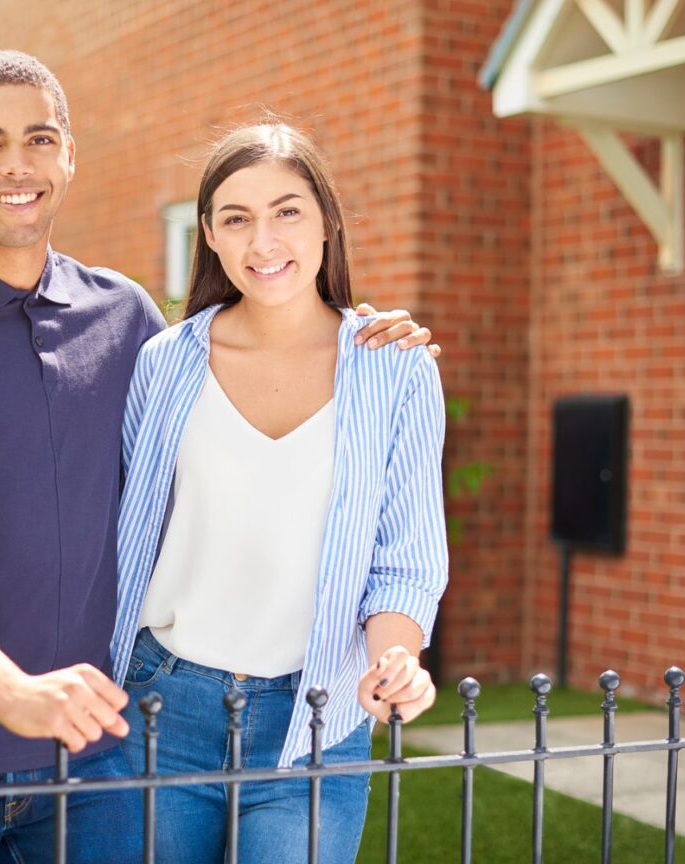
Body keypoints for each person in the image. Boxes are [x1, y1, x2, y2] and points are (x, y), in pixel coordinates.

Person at [0, 52, 434, 863]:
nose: (17, 165)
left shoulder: (125, 320)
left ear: (70, 155)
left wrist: (370, 336)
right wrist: (7, 688)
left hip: (97, 750)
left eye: (39, 138)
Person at [109, 122, 449, 863]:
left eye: (287, 211)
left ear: (327, 220)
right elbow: (125, 533)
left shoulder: (396, 370)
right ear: (210, 235)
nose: (263, 241)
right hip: (164, 706)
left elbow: (406, 557)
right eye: (236, 218)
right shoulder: (165, 364)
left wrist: (396, 661)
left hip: (318, 716)